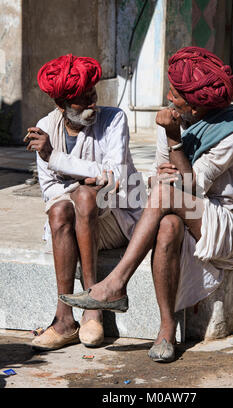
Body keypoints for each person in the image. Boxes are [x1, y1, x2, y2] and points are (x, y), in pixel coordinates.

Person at [59, 47, 233, 362]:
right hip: (187, 211)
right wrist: (165, 165)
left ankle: (116, 282)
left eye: (176, 94)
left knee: (167, 198)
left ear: (196, 103)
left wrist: (175, 140)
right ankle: (167, 330)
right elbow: (159, 177)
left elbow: (187, 188)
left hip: (228, 223)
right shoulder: (174, 118)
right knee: (168, 224)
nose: (170, 98)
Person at [26, 54, 141, 350]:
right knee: (63, 206)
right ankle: (64, 320)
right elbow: (50, 191)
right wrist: (81, 182)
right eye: (82, 101)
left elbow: (113, 177)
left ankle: (93, 309)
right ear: (60, 105)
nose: (92, 105)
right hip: (71, 220)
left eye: (93, 96)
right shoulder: (45, 127)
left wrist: (56, 158)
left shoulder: (114, 119)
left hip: (115, 218)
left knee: (87, 197)